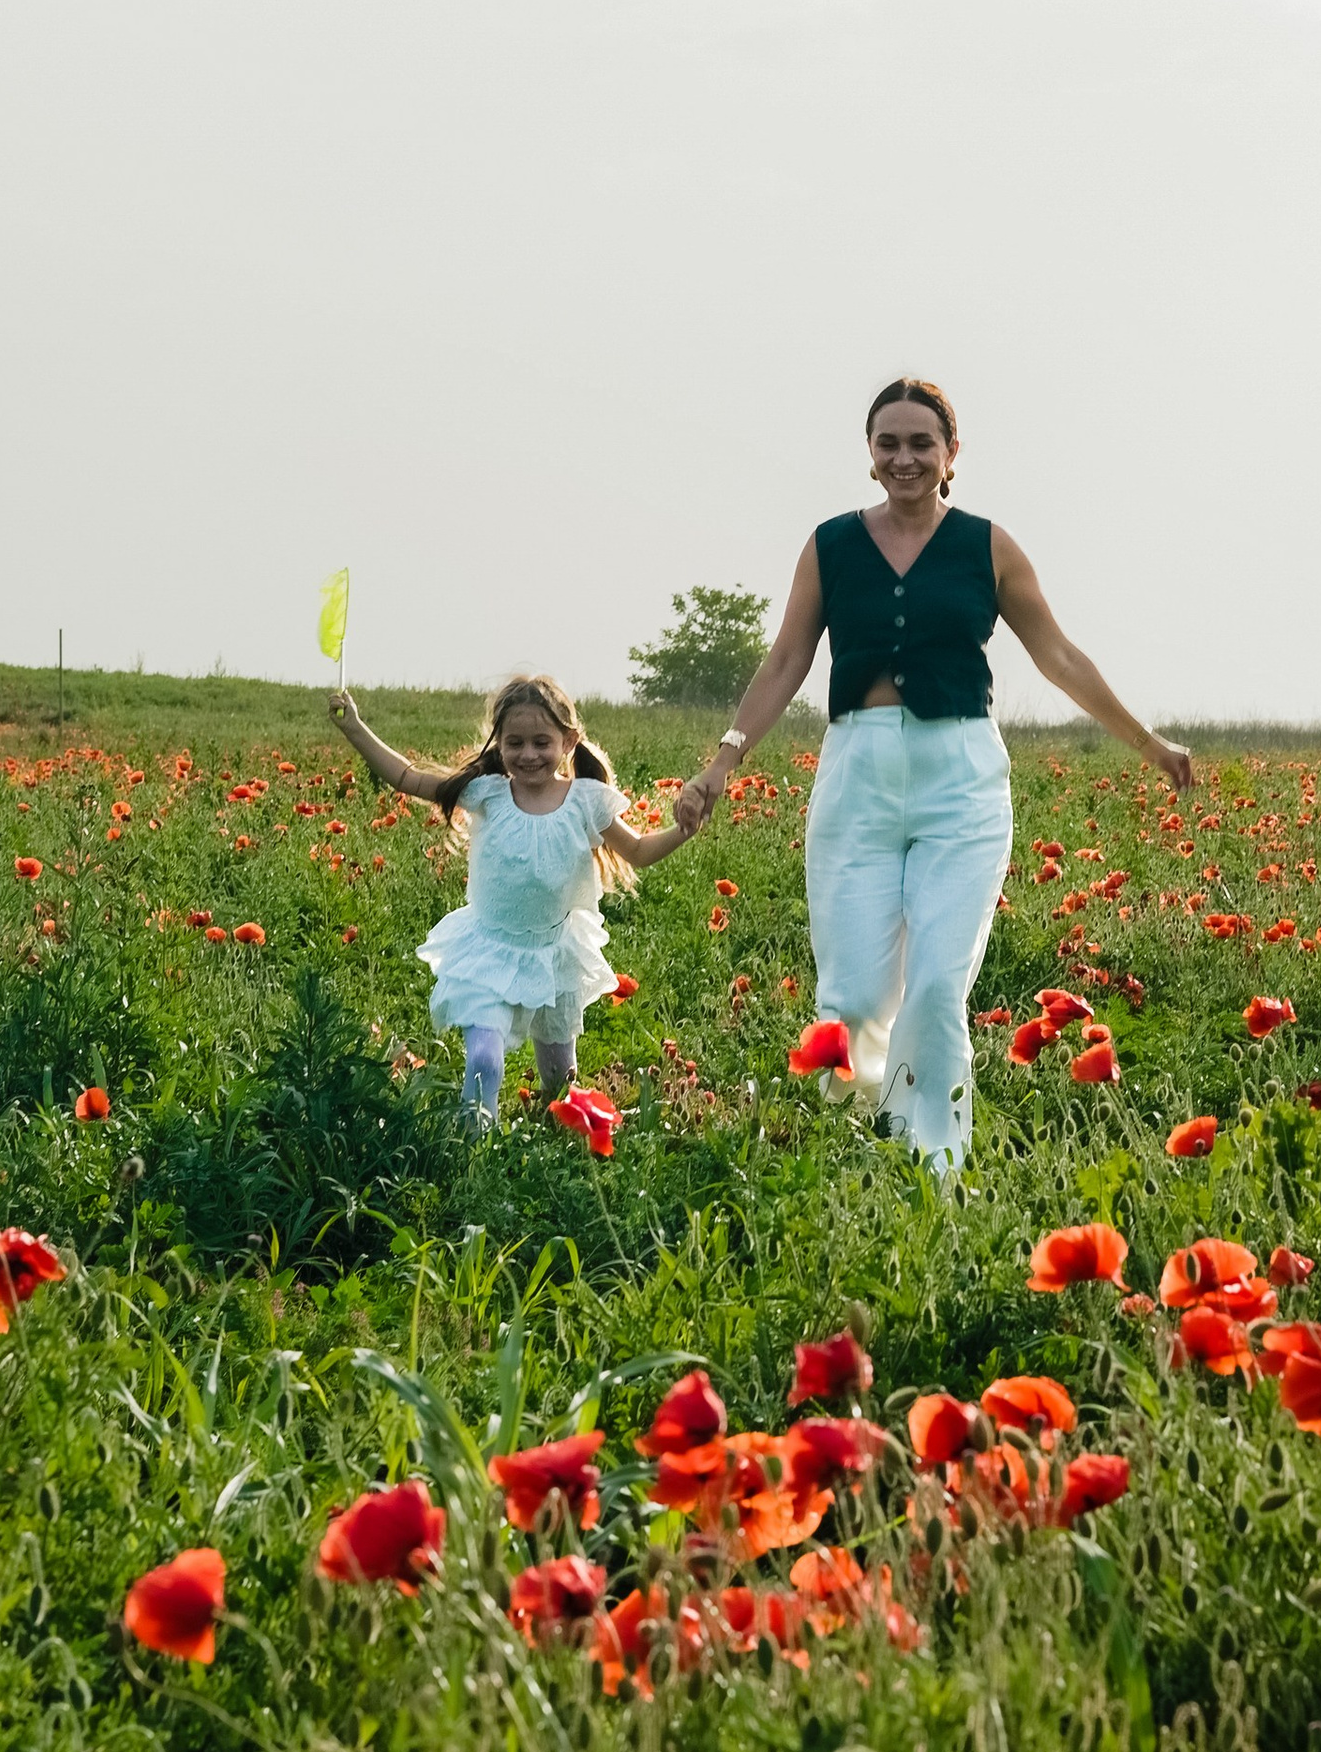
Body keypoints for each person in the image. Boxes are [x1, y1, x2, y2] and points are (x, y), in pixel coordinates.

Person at [672, 376, 1192, 1171]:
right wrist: (724, 761)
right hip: (859, 779)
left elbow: (1057, 656)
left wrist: (1147, 742)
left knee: (939, 989)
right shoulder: (831, 545)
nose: (905, 457)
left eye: (922, 443)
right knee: (849, 999)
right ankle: (858, 1144)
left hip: (962, 784)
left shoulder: (988, 546)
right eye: (889, 443)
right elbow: (786, 659)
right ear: (870, 455)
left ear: (952, 454)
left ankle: (935, 1171)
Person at [332, 670, 705, 1122]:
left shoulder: (587, 801)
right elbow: (408, 777)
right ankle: (475, 1148)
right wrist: (354, 727)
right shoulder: (486, 793)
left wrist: (683, 831)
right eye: (515, 743)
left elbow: (641, 852)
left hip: (552, 956)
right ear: (500, 744)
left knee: (559, 1080)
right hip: (489, 951)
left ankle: (560, 1134)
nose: (528, 755)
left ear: (568, 742)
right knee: (485, 1059)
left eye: (541, 743)